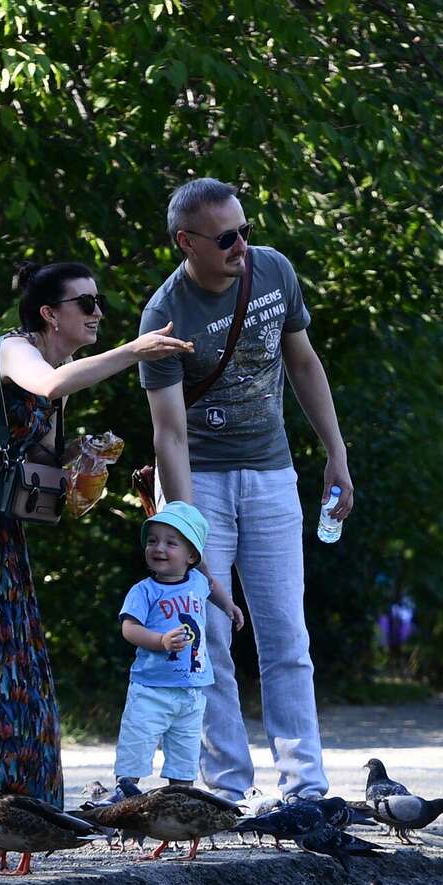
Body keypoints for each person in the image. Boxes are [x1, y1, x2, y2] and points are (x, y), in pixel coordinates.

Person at [0, 261, 195, 805]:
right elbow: (46, 383)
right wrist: (133, 352)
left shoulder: (64, 369)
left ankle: (12, 779)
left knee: (2, 627)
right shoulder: (16, 351)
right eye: (86, 304)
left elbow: (43, 461)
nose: (98, 314)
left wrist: (83, 465)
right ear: (50, 314)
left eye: (99, 303)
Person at [139, 178, 354, 800]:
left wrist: (335, 455)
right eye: (227, 237)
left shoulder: (274, 272)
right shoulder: (165, 316)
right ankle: (227, 790)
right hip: (200, 481)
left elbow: (304, 363)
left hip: (272, 476)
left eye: (245, 230)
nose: (242, 246)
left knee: (286, 633)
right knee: (205, 636)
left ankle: (304, 787)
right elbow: (169, 436)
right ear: (187, 242)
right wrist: (187, 534)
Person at [113, 502, 243, 796]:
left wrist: (229, 606)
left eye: (171, 543)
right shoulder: (143, 590)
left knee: (184, 757)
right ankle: (123, 796)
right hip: (150, 688)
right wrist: (160, 642)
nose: (159, 548)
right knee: (136, 746)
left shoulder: (197, 580)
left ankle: (180, 802)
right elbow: (129, 629)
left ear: (192, 556)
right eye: (152, 541)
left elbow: (212, 584)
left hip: (191, 690)